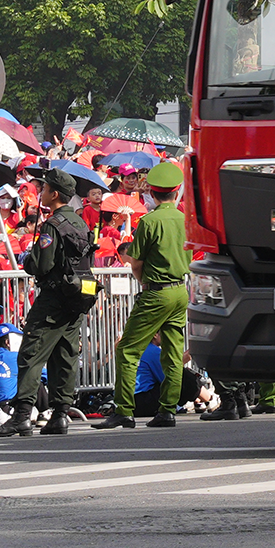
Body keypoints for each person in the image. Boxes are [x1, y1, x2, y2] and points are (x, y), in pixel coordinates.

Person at [0, 168, 95, 438]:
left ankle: (22, 415)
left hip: (54, 298)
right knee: (65, 355)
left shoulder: (52, 225)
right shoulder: (81, 223)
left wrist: (29, 258)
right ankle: (60, 415)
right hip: (78, 296)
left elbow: (41, 264)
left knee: (31, 353)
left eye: (45, 189)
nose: (41, 193)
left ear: (55, 194)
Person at [96, 161, 190, 431]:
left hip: (156, 291)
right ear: (176, 191)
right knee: (172, 353)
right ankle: (168, 410)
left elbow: (135, 263)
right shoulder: (184, 219)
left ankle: (124, 410)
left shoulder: (149, 221)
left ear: (153, 191)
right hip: (179, 290)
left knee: (127, 349)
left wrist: (144, 283)